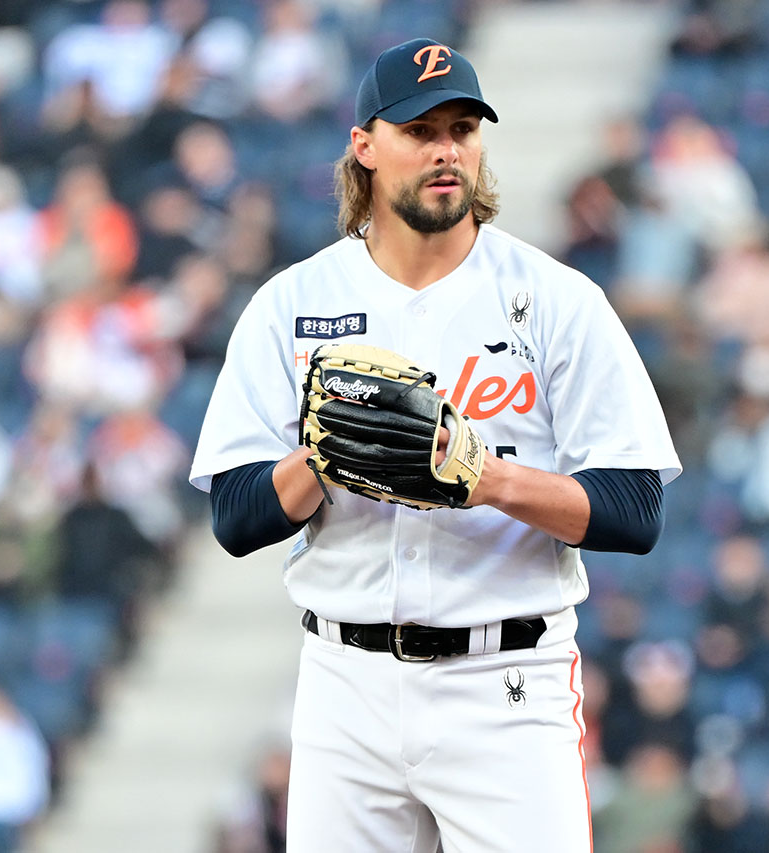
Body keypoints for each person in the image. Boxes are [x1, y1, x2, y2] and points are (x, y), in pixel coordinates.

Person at [189, 37, 681, 852]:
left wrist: (484, 477)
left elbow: (635, 509)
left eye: (463, 128)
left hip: (506, 683)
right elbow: (237, 518)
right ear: (366, 146)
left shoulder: (557, 300)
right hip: (345, 684)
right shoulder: (293, 304)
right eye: (420, 131)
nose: (447, 150)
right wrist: (328, 454)